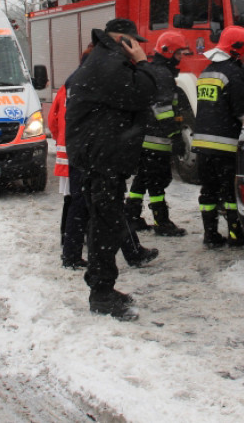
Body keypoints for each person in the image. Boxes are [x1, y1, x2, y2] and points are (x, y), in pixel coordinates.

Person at [66, 18, 159, 320]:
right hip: (102, 157)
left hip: (102, 155)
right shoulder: (108, 62)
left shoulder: (104, 59)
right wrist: (143, 63)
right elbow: (144, 94)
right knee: (104, 224)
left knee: (104, 221)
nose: (137, 50)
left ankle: (102, 286)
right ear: (123, 39)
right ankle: (102, 294)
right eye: (135, 44)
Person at [125, 31, 192, 237]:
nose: (181, 57)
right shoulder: (163, 74)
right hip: (157, 139)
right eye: (179, 53)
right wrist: (174, 135)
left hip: (143, 137)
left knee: (143, 179)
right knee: (157, 181)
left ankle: (132, 216)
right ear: (169, 52)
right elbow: (162, 108)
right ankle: (162, 222)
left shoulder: (153, 70)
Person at [192, 25, 244, 248]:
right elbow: (241, 113)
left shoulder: (207, 71)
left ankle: (210, 235)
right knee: (230, 193)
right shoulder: (234, 74)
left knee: (208, 192)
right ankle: (236, 236)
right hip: (225, 146)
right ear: (236, 49)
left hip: (202, 145)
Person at [47, 82, 87, 269]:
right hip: (78, 153)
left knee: (70, 198)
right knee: (78, 201)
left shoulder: (66, 88)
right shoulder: (86, 87)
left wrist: (59, 137)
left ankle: (66, 237)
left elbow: (52, 120)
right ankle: (72, 244)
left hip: (65, 150)